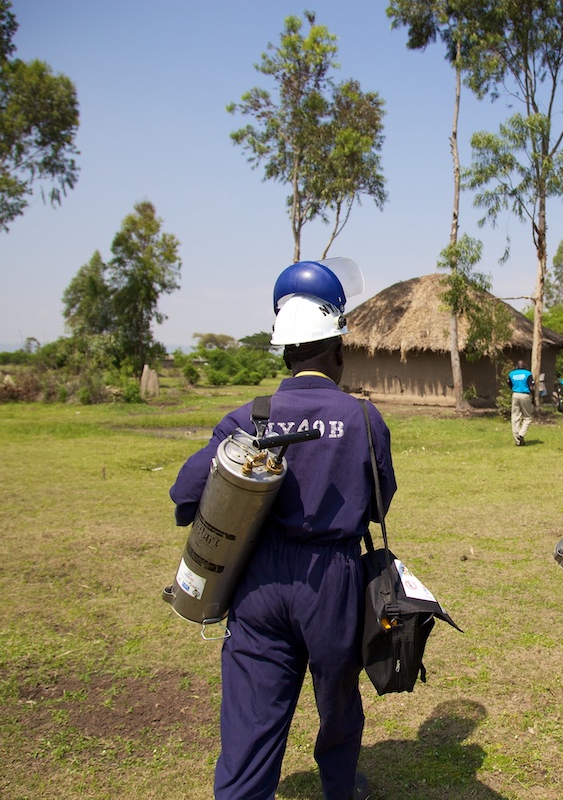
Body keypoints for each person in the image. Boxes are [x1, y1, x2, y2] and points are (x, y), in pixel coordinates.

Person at [170, 258, 393, 800]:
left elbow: (185, 496)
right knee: (338, 697)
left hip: (259, 584)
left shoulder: (248, 417)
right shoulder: (365, 420)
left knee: (251, 710)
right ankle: (340, 786)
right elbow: (380, 500)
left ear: (287, 351)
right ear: (338, 349)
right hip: (333, 581)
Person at [507, 359, 534, 446]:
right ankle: (521, 434)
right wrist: (532, 397)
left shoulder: (511, 374)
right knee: (527, 417)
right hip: (525, 395)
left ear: (517, 366)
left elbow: (509, 384)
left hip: (515, 395)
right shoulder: (528, 374)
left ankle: (517, 441)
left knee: (515, 417)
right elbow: (531, 387)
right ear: (524, 365)